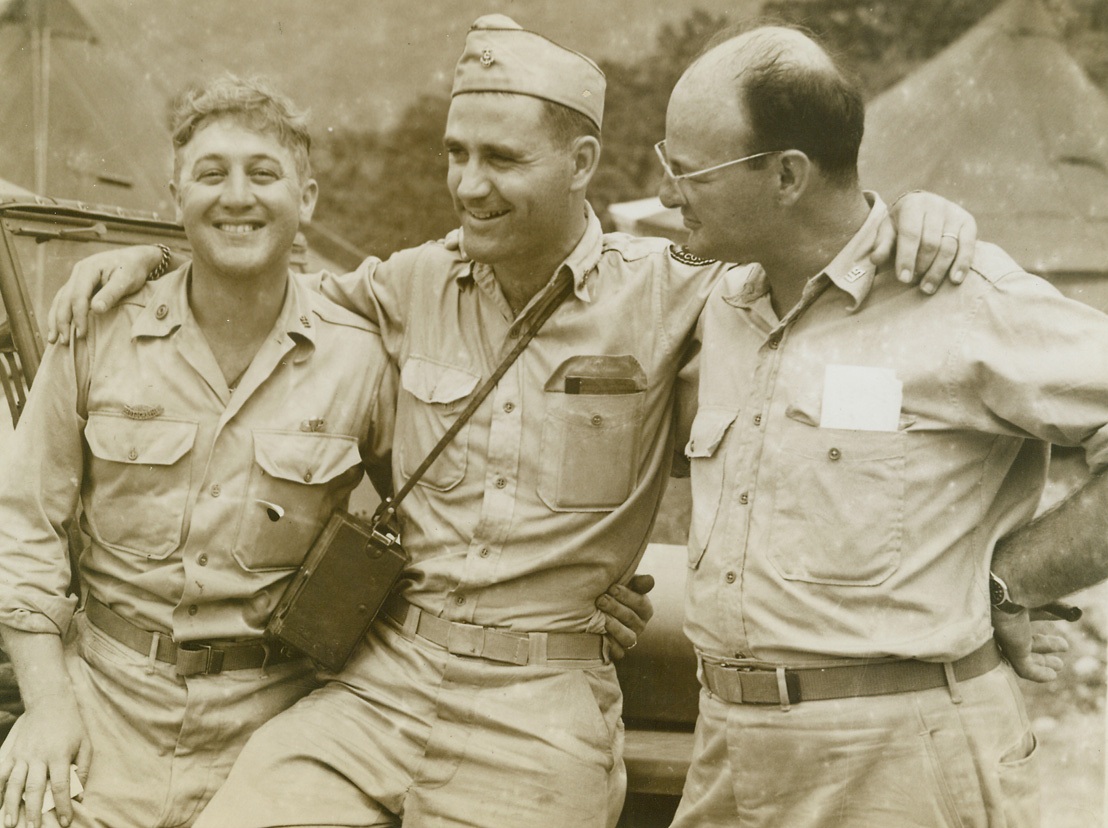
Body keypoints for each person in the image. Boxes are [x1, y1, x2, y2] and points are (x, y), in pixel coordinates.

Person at [46, 16, 979, 828]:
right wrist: (140, 267)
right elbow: (269, 290)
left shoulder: (675, 299)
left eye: (500, 158)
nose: (468, 184)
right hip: (385, 682)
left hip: (539, 707)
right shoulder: (408, 285)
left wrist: (913, 218)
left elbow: (807, 263)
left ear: (580, 165)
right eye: (456, 154)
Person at [661, 24, 1103, 827]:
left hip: (903, 766)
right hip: (728, 750)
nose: (665, 193)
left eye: (688, 172)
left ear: (788, 175)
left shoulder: (959, 298)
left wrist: (1017, 580)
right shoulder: (715, 304)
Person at [0, 75, 400, 828]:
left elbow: (443, 515)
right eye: (212, 174)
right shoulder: (96, 330)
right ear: (176, 193)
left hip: (279, 733)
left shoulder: (362, 358)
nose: (237, 196)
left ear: (306, 198)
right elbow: (22, 528)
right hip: (102, 711)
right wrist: (48, 708)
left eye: (264, 173)